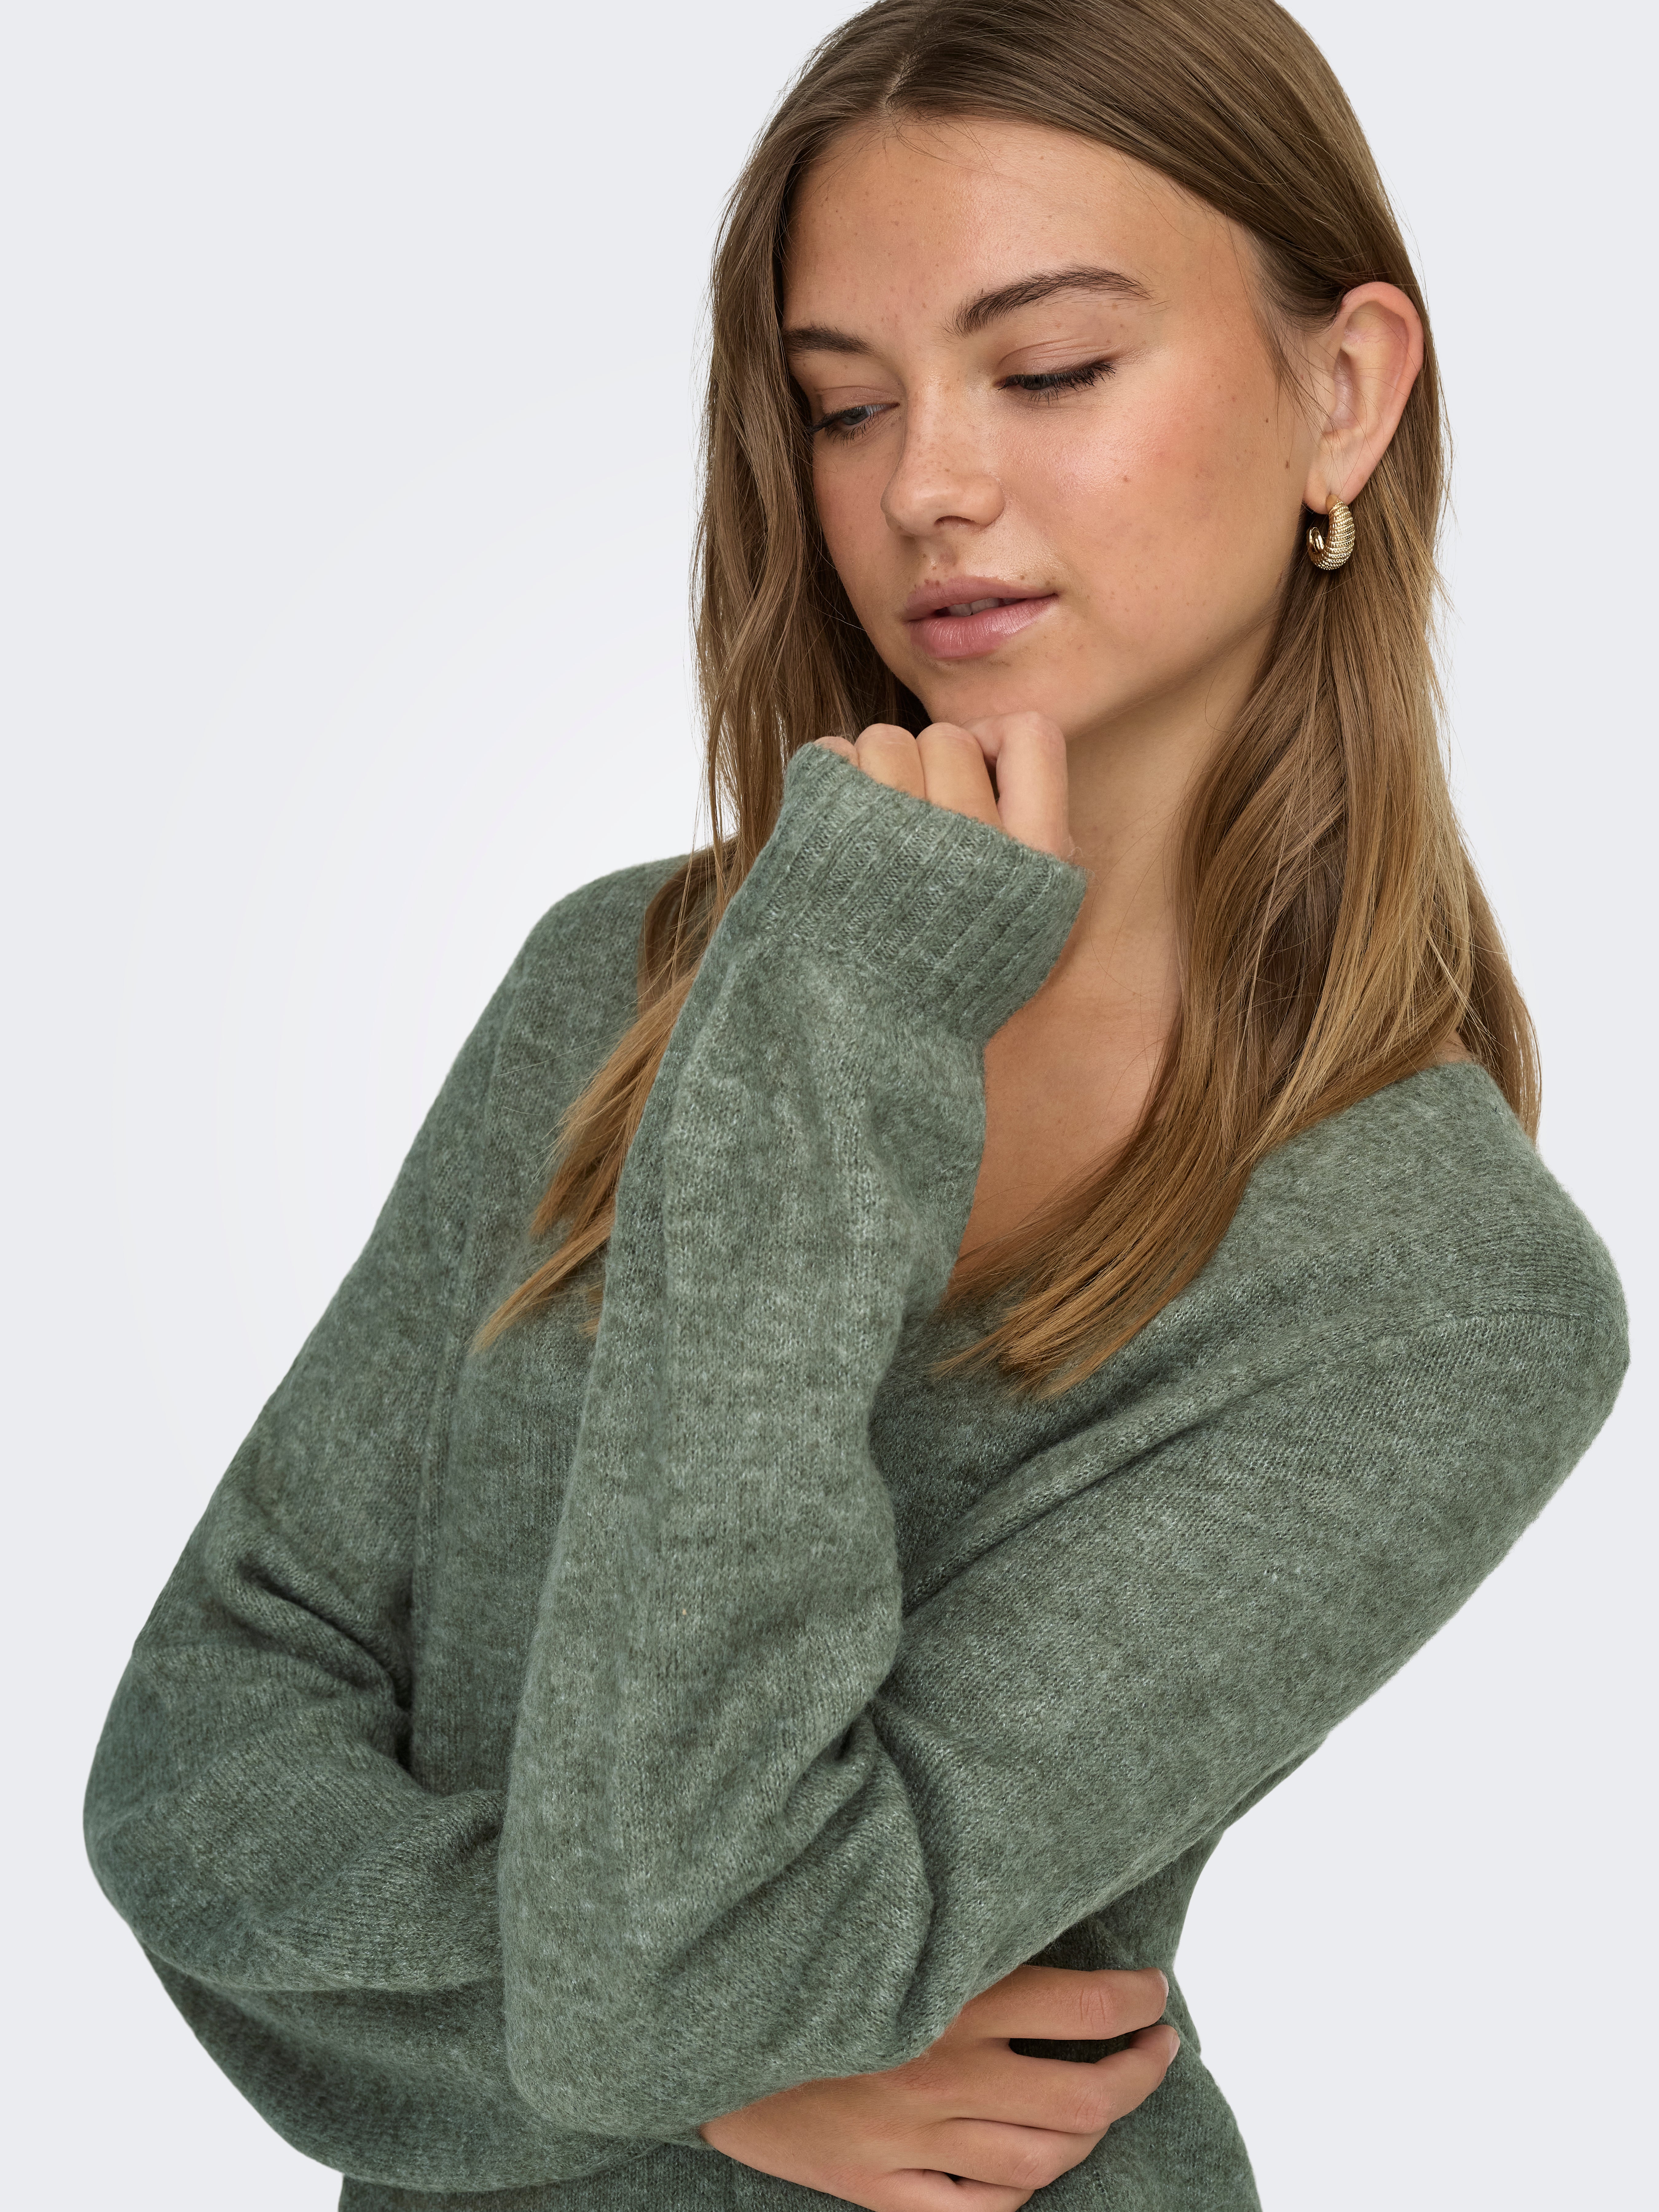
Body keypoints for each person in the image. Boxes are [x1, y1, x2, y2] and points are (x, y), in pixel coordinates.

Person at [83, 2, 1628, 2207]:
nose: (925, 488)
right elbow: (196, 1764)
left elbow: (687, 1959)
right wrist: (709, 2065)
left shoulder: (1436, 1289)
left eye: (1050, 368)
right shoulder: (625, 987)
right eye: (842, 403)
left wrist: (843, 1026)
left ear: (1343, 394)